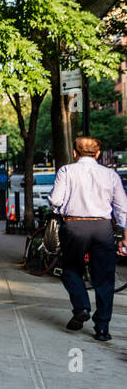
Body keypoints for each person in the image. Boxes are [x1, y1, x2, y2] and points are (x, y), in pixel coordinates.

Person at [49, 135, 127, 342]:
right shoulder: (110, 175)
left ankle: (82, 307)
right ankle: (102, 328)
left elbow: (55, 200)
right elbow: (122, 208)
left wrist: (60, 210)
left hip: (75, 225)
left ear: (75, 153)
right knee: (104, 277)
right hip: (102, 227)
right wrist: (125, 235)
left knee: (71, 269)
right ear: (98, 153)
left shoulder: (67, 171)